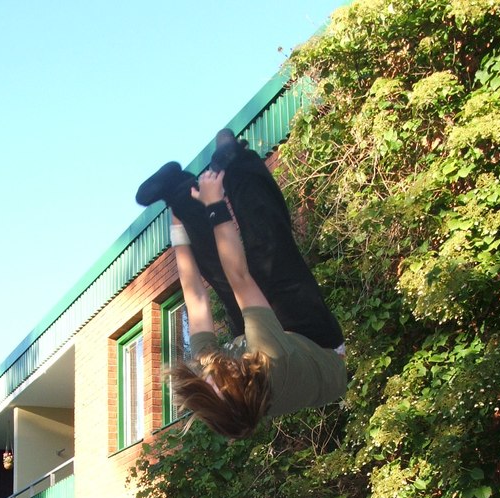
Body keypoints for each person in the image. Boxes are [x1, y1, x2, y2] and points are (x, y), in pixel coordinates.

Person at [135, 131, 347, 439]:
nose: (209, 376)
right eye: (217, 382)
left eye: (208, 382)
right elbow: (241, 277)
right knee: (267, 252)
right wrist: (215, 206)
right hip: (319, 343)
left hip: (278, 353)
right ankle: (236, 160)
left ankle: (179, 190)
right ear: (238, 384)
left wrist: (179, 224)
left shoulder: (214, 368)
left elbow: (195, 296)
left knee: (216, 274)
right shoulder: (271, 359)